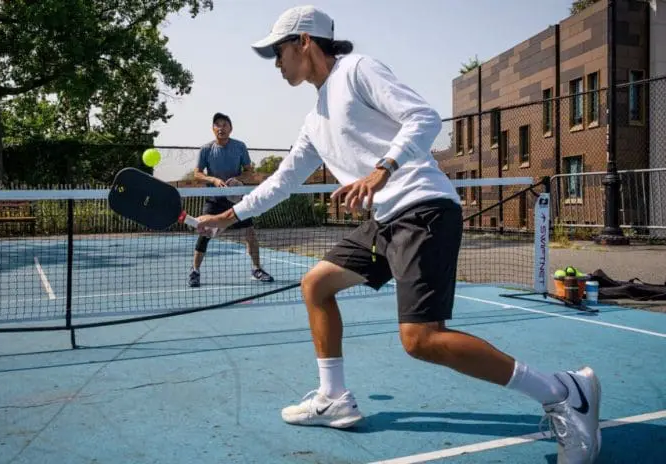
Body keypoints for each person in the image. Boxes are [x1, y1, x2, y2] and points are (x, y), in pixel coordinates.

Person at [194, 6, 601, 463]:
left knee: (421, 339)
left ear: (304, 41)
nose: (276, 62)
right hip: (385, 221)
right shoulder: (314, 120)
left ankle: (564, 391)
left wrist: (381, 170)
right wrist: (229, 215)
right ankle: (334, 397)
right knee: (317, 284)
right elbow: (283, 181)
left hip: (421, 207)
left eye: (278, 50)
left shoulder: (358, 70)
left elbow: (424, 118)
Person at [188, 112, 274, 287]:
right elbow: (197, 174)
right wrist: (213, 179)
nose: (221, 128)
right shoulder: (206, 149)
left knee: (250, 234)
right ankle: (195, 271)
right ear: (213, 129)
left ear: (230, 128)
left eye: (224, 124)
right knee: (205, 235)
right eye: (217, 125)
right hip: (214, 199)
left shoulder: (240, 147)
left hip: (237, 199)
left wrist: (239, 180)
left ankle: (256, 269)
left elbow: (249, 171)